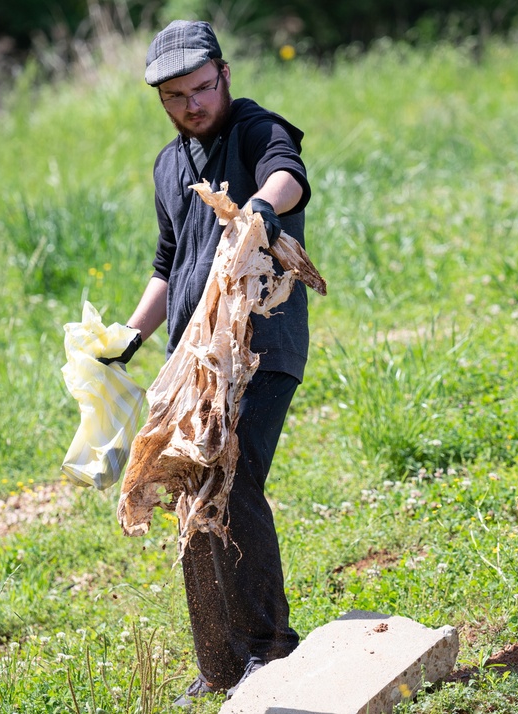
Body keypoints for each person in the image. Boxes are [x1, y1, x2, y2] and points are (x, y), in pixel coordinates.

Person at [101, 19, 312, 706]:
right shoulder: (170, 165)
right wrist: (130, 336)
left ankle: (273, 651)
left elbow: (289, 178)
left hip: (258, 347)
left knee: (234, 476)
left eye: (201, 88)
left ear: (224, 75)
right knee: (193, 496)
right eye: (175, 96)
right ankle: (221, 663)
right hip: (191, 364)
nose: (192, 105)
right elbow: (168, 265)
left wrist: (260, 210)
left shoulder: (255, 129)